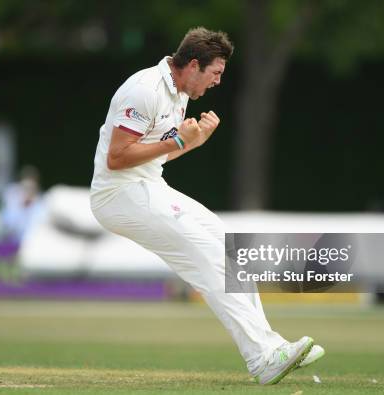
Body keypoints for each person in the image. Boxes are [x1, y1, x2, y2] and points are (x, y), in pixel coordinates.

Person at [89, 27, 324, 385]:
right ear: (193, 65)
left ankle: (270, 346)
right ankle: (262, 357)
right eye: (215, 74)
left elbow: (156, 156)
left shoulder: (179, 92)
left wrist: (193, 141)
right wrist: (182, 138)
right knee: (208, 257)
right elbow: (117, 158)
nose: (216, 83)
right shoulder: (144, 89)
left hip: (148, 185)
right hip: (117, 194)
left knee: (229, 245)